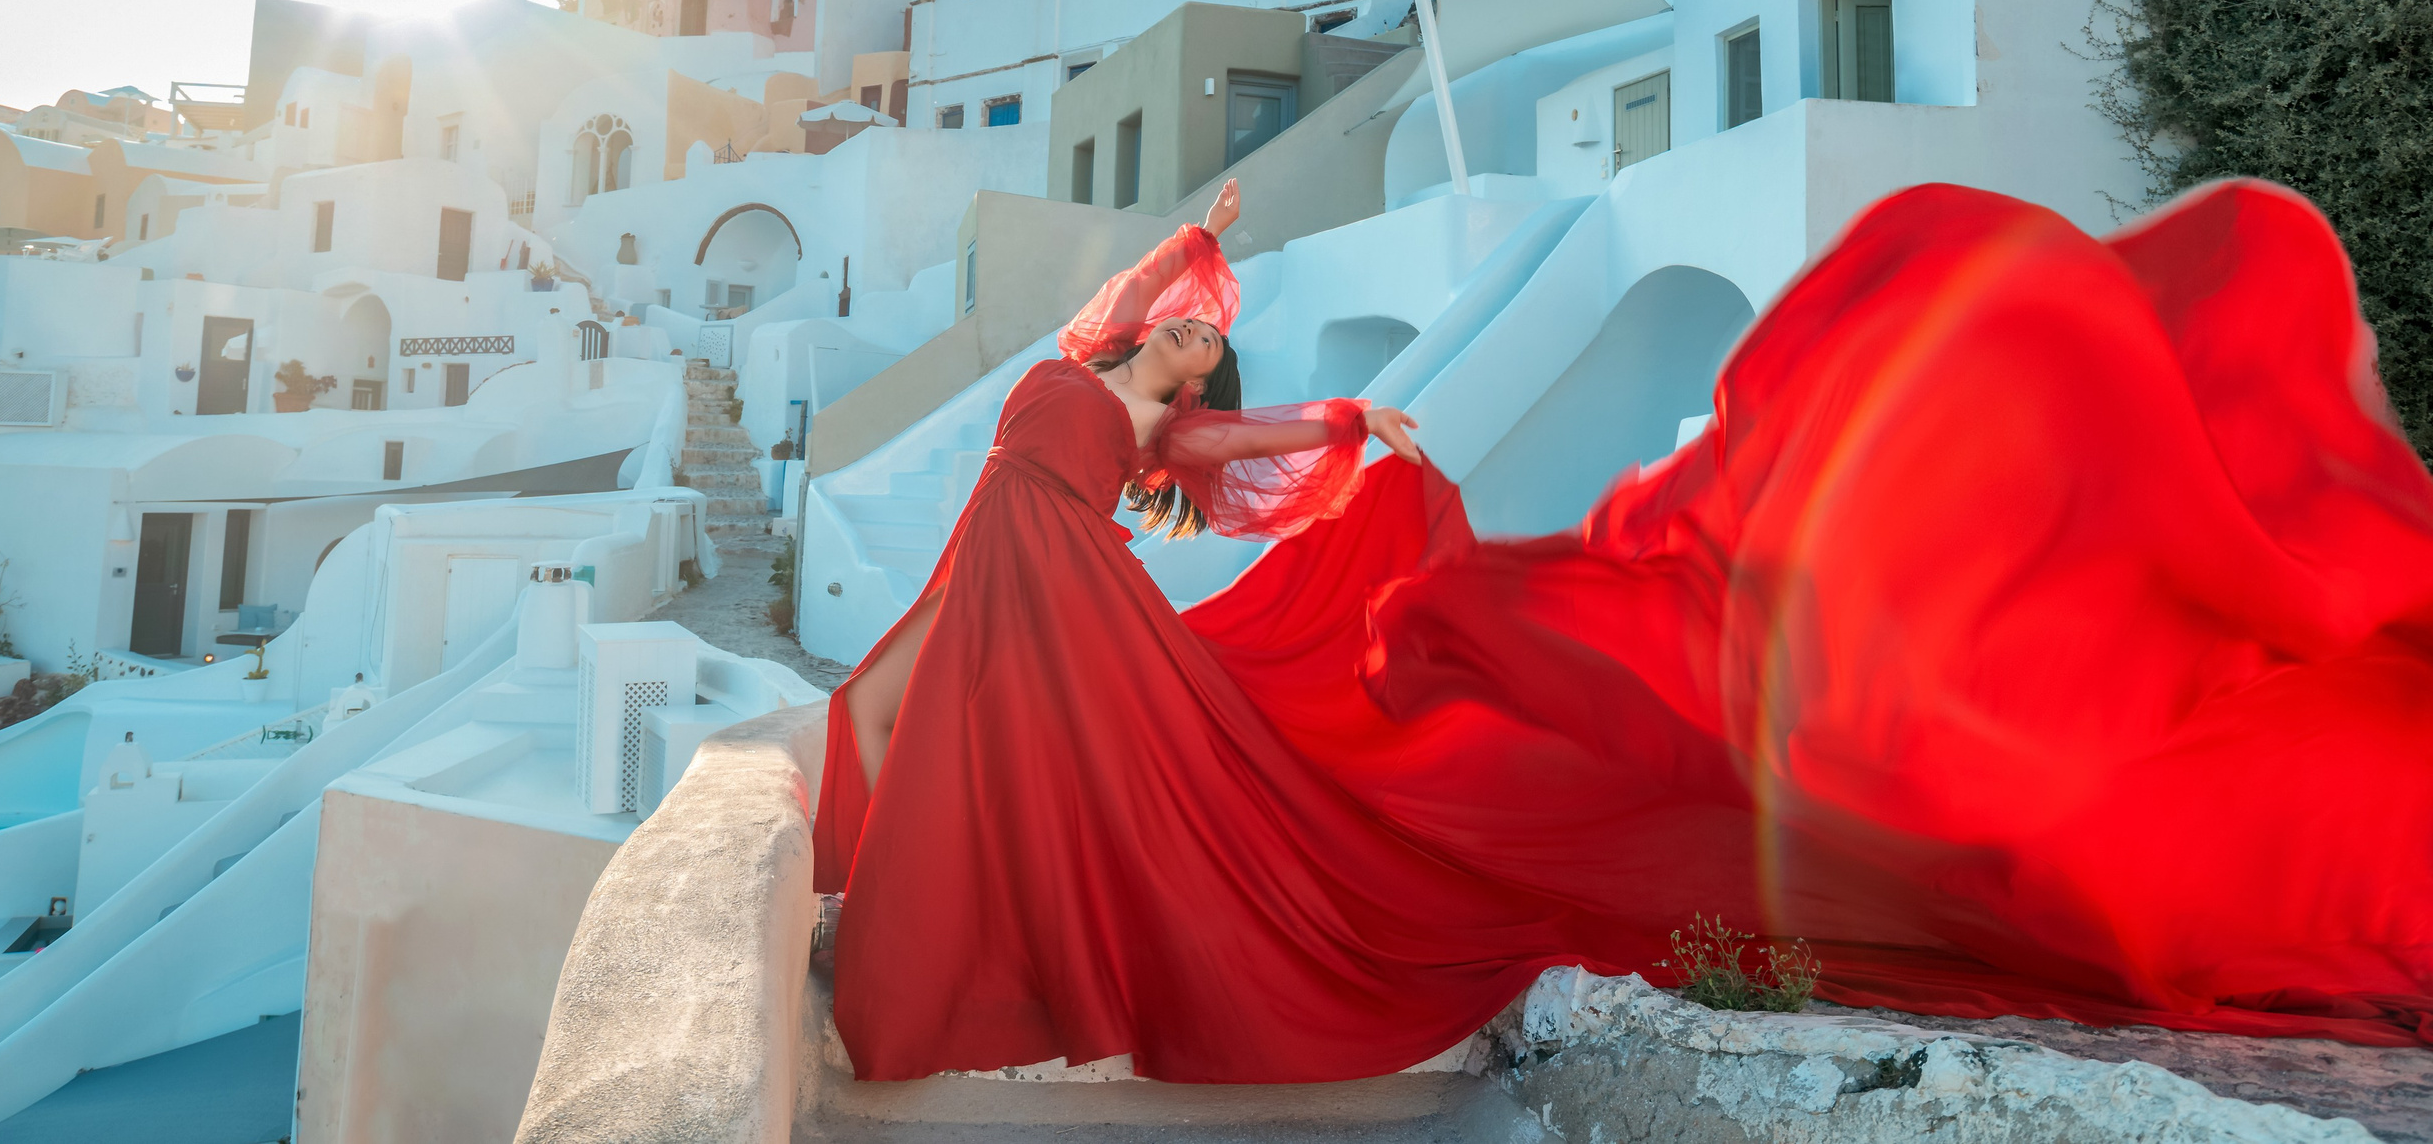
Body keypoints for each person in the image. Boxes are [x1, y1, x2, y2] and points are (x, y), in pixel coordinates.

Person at [817, 177, 2433, 1083]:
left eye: (1198, 329)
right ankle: (861, 868)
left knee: (1064, 771)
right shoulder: (1095, 350)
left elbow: (1266, 438)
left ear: (1193, 370)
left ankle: (927, 946)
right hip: (1003, 551)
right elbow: (1157, 276)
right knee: (894, 705)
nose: (1185, 323)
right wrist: (1212, 232)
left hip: (1065, 583)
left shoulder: (1171, 427)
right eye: (1183, 314)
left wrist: (1357, 420)